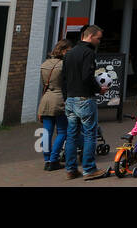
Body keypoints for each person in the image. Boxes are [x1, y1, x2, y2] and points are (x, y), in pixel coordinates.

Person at [62, 24, 104, 180]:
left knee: (71, 135)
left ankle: (71, 169)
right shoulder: (88, 53)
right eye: (98, 38)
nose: (99, 41)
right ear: (90, 36)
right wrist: (99, 89)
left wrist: (66, 97)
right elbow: (87, 76)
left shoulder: (69, 53)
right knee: (89, 135)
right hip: (84, 99)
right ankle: (89, 168)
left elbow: (63, 78)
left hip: (71, 99)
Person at [38, 39, 71, 171]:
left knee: (46, 132)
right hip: (59, 99)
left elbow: (43, 84)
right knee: (63, 131)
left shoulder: (44, 64)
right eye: (68, 51)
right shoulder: (64, 65)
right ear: (63, 51)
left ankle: (46, 160)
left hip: (46, 99)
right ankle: (53, 159)